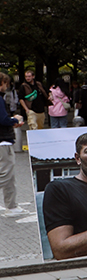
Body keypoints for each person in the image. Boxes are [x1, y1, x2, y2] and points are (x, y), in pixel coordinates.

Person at [0, 74, 25, 217]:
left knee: (9, 175)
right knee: (6, 174)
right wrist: (14, 119)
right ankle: (12, 206)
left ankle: (12, 205)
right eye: (5, 83)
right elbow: (3, 119)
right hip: (3, 141)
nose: (7, 86)